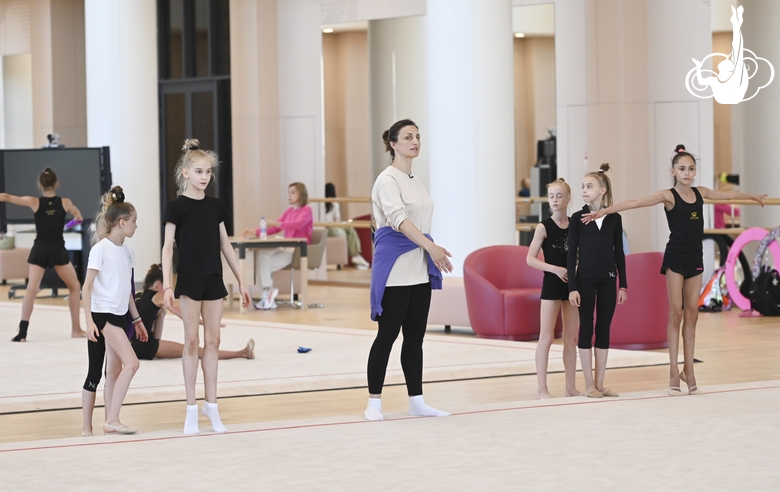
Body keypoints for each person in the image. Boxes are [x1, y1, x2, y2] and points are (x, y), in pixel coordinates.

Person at [583, 145, 766, 396]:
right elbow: (637, 202)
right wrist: (605, 211)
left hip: (695, 258)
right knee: (676, 313)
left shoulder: (701, 193)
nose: (687, 173)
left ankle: (688, 371)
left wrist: (753, 197)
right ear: (674, 171)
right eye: (682, 169)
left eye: (691, 169)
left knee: (693, 314)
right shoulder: (668, 196)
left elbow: (726, 197)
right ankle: (672, 370)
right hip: (675, 259)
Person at [162, 139, 252, 435]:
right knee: (191, 342)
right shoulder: (176, 207)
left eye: (209, 172)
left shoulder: (215, 206)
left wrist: (241, 279)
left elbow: (225, 244)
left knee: (213, 341)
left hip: (213, 278)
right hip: (189, 280)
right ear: (185, 173)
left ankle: (211, 406)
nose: (205, 177)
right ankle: (190, 409)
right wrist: (166, 285)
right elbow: (166, 248)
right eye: (199, 171)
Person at [365, 119, 453, 421]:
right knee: (387, 335)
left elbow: (420, 220)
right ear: (393, 143)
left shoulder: (414, 178)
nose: (414, 141)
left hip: (418, 269)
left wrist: (428, 248)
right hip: (396, 270)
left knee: (415, 338)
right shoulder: (387, 180)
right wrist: (431, 247)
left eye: (417, 137)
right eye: (407, 137)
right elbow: (399, 220)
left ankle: (416, 399)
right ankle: (374, 402)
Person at [82, 186, 148, 435]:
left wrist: (137, 319)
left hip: (120, 315)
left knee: (116, 369)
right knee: (132, 363)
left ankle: (104, 423)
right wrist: (89, 322)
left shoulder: (127, 251)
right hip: (103, 316)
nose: (136, 226)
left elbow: (127, 291)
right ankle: (112, 419)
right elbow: (86, 288)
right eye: (134, 221)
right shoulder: (100, 249)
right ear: (122, 222)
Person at [1, 167, 86, 341]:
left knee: (31, 290)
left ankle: (22, 333)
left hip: (39, 248)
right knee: (75, 287)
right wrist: (67, 226)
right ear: (56, 183)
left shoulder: (34, 202)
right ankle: (76, 329)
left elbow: (7, 197)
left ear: (40, 184)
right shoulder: (65, 202)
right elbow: (79, 218)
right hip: (57, 248)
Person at [568, 164, 627, 399]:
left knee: (603, 328)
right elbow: (572, 254)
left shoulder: (614, 218)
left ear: (602, 190)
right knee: (586, 328)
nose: (584, 190)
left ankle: (601, 383)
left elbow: (619, 252)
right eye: (582, 186)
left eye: (589, 186)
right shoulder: (577, 219)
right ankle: (588, 384)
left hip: (608, 281)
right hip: (584, 281)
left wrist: (624, 284)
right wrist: (572, 287)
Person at [526, 178, 582, 399]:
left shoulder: (575, 226)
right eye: (552, 196)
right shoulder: (544, 227)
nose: (555, 200)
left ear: (568, 198)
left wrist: (577, 268)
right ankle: (542, 388)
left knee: (571, 338)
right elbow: (530, 259)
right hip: (552, 283)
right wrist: (555, 269)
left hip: (573, 286)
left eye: (559, 196)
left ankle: (570, 386)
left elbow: (582, 253)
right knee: (546, 337)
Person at [132, 263, 255, 360]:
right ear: (158, 284)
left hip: (132, 345)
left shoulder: (138, 296)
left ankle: (155, 345)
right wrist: (204, 322)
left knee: (161, 312)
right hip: (143, 347)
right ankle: (243, 353)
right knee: (197, 350)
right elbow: (181, 313)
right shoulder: (158, 295)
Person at [240, 182, 313, 310]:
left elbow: (298, 224)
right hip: (285, 246)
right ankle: (268, 293)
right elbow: (274, 228)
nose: (289, 195)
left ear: (301, 194)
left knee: (263, 264)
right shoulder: (289, 211)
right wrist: (254, 231)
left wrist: (276, 224)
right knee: (261, 254)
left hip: (296, 251)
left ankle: (267, 294)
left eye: (293, 192)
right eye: (288, 192)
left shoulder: (307, 210)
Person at [324, 182, 370, 269]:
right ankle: (356, 255)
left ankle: (356, 256)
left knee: (349, 227)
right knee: (346, 231)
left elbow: (337, 222)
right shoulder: (332, 204)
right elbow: (337, 221)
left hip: (329, 226)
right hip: (329, 227)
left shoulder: (330, 204)